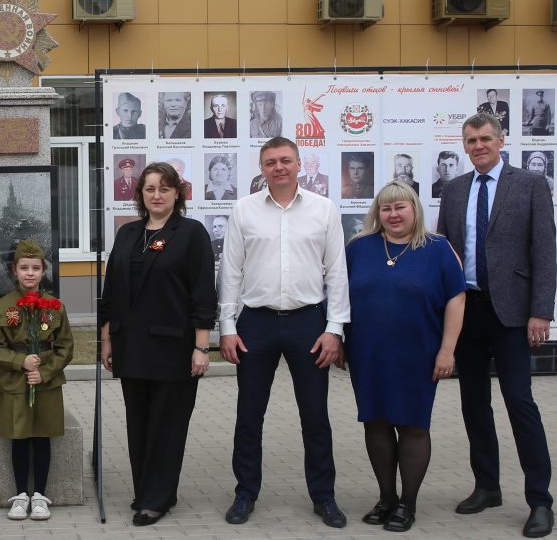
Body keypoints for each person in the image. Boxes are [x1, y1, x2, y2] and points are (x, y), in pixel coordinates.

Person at [218, 136, 350, 529]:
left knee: (315, 416)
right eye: (271, 162)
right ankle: (245, 493)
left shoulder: (323, 210)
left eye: (286, 160)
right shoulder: (244, 210)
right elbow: (230, 272)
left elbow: (336, 273)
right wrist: (226, 327)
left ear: (298, 165)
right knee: (249, 414)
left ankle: (324, 496)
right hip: (255, 322)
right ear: (262, 168)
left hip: (308, 322)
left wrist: (335, 329)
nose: (279, 167)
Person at [436, 112, 555, 539]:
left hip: (512, 314)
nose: (478, 146)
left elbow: (545, 251)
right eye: (471, 140)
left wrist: (541, 311)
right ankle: (487, 486)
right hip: (467, 311)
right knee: (473, 405)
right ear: (464, 146)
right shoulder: (453, 190)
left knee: (520, 403)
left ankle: (540, 500)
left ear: (501, 140)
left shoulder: (531, 185)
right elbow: (445, 257)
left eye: (485, 138)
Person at [98, 161, 216, 526]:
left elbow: (202, 293)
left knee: (167, 425)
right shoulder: (128, 233)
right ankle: (146, 490)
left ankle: (157, 499)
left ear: (177, 193)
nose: (156, 195)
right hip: (130, 346)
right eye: (149, 189)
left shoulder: (191, 233)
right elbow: (112, 291)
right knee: (139, 423)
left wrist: (202, 346)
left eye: (164, 188)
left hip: (174, 348)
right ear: (140, 194)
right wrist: (106, 340)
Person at [345, 181, 466, 532]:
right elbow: (339, 294)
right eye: (386, 208)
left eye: (400, 207)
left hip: (419, 353)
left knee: (413, 424)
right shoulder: (359, 247)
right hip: (368, 352)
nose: (393, 214)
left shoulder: (438, 248)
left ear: (415, 209)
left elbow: (456, 298)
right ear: (377, 213)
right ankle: (386, 498)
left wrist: (447, 350)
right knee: (376, 421)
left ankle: (408, 503)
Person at [0, 239, 74, 521]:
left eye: (36, 268)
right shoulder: (3, 306)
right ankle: (21, 494)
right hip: (15, 383)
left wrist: (44, 371)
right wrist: (19, 361)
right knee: (19, 438)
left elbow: (66, 347)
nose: (30, 273)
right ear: (14, 270)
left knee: (42, 436)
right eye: (24, 268)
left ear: (43, 270)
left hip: (45, 383)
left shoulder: (54, 306)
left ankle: (40, 496)